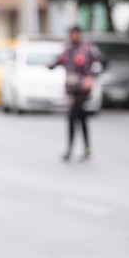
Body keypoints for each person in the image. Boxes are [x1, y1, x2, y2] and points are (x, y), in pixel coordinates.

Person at [49, 25, 105, 161]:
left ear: (79, 34)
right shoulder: (68, 50)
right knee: (81, 118)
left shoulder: (88, 48)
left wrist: (91, 78)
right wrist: (49, 66)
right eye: (71, 34)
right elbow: (58, 62)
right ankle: (85, 150)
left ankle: (71, 150)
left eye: (75, 34)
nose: (73, 36)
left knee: (72, 117)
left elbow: (104, 61)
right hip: (71, 90)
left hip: (82, 90)